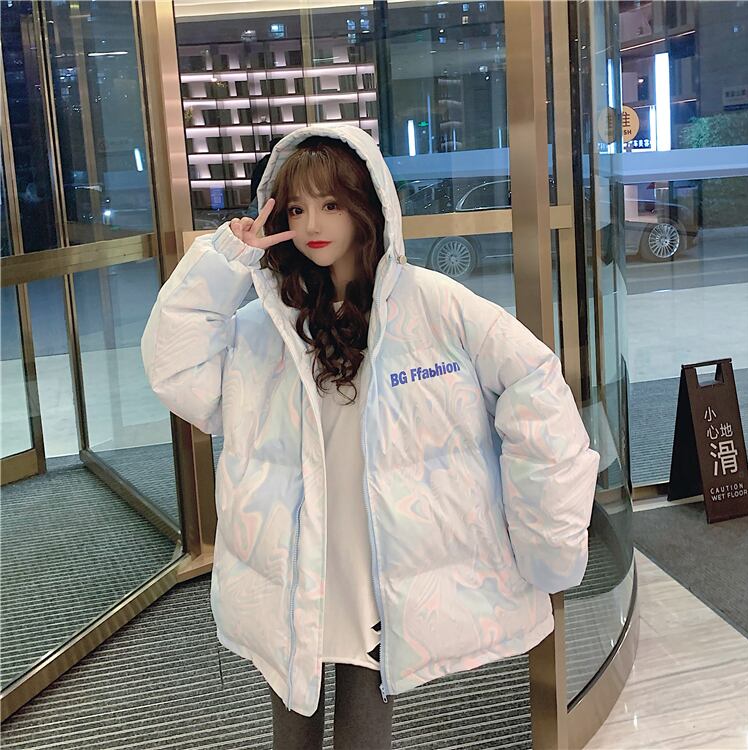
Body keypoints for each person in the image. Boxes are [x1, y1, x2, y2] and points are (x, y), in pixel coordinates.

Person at [141, 123, 600, 749]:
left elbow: (535, 383)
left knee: (366, 700)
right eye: (296, 209)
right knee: (291, 704)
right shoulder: (264, 324)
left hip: (380, 547)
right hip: (292, 547)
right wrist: (225, 263)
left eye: (330, 204)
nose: (312, 224)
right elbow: (176, 372)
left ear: (367, 204)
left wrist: (547, 526)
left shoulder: (433, 304)